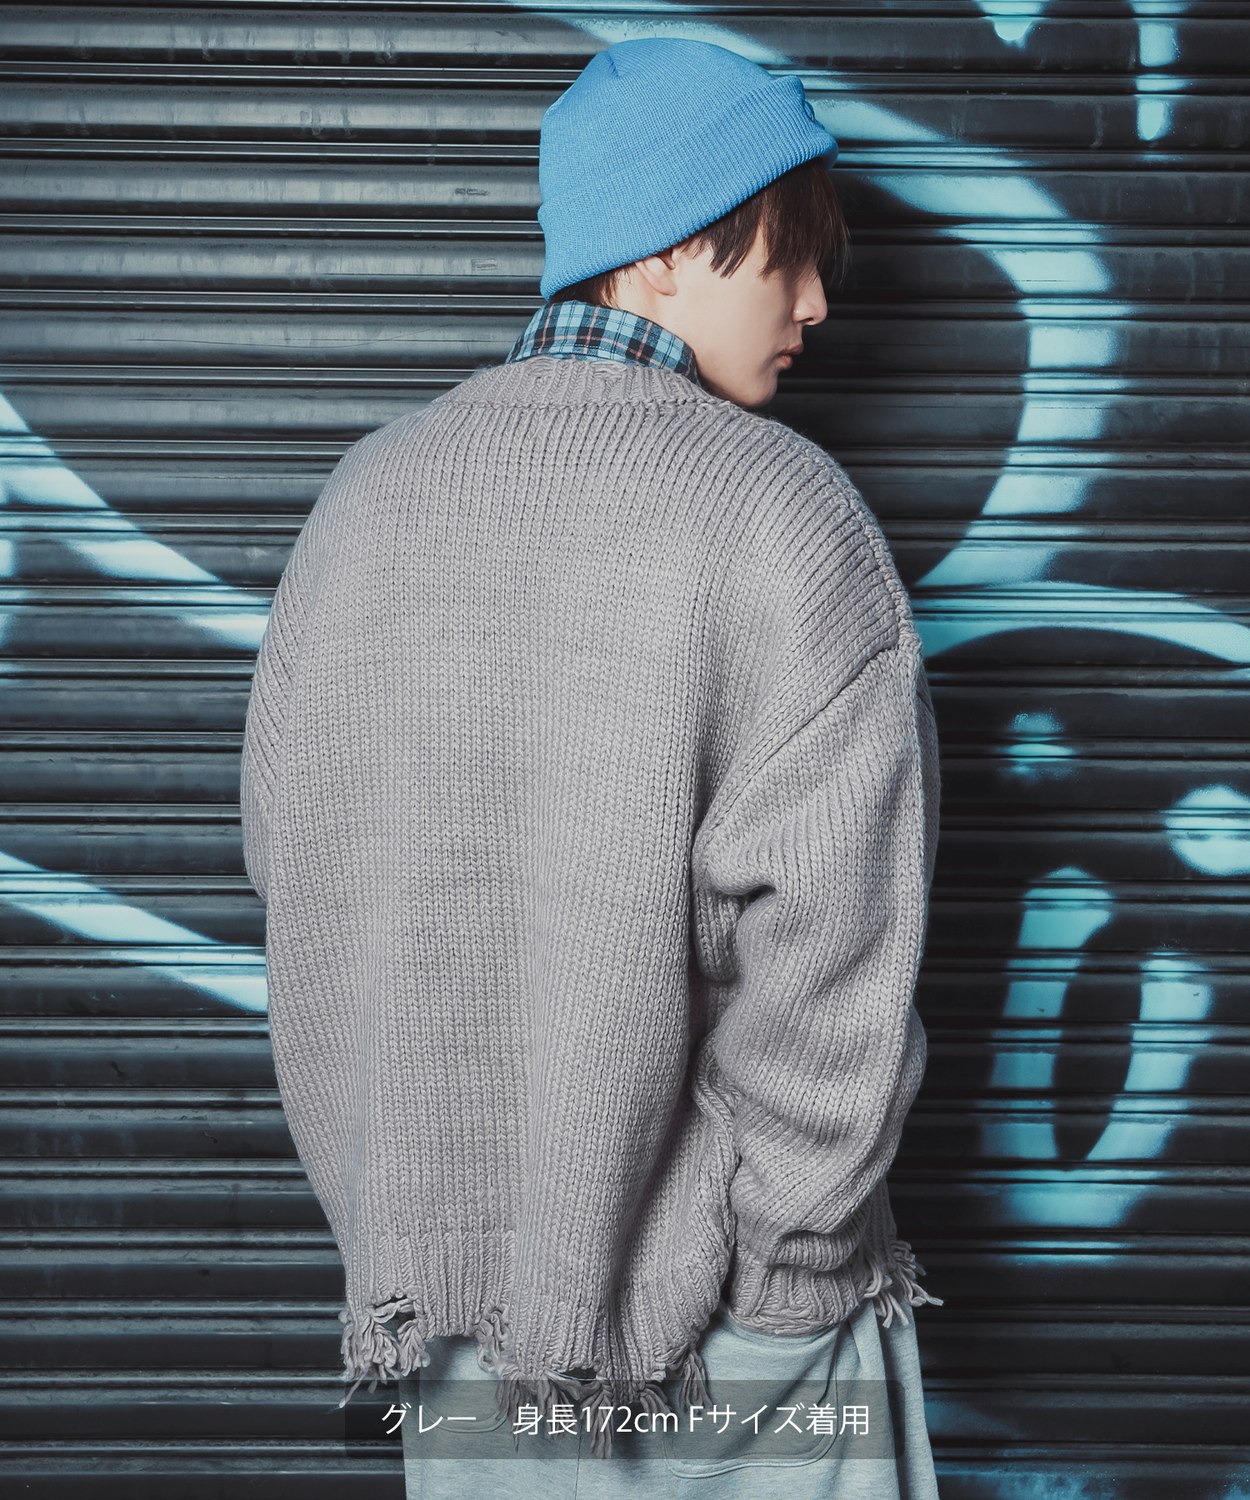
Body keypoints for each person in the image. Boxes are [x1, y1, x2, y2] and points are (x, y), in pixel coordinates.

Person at [240, 35, 944, 1500]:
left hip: (460, 1341)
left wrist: (416, 1238)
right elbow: (835, 966)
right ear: (672, 248)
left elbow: (302, 895)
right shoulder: (783, 516)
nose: (816, 302)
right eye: (788, 255)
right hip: (737, 1349)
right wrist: (790, 1279)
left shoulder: (364, 502)